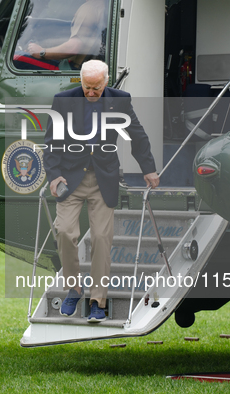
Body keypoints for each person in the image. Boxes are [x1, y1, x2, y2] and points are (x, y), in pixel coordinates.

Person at [43, 60, 159, 322]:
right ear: (80, 81)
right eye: (86, 87)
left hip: (103, 179)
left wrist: (148, 169)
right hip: (69, 178)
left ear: (106, 82)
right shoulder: (63, 101)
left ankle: (98, 300)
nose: (91, 92)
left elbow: (137, 135)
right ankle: (73, 288)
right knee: (64, 232)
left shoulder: (120, 100)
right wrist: (53, 175)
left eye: (96, 87)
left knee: (101, 239)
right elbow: (50, 143)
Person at [14, 0, 106, 70]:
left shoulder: (88, 9)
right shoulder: (101, 7)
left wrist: (42, 52)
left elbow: (73, 47)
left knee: (17, 57)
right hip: (82, 67)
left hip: (71, 68)